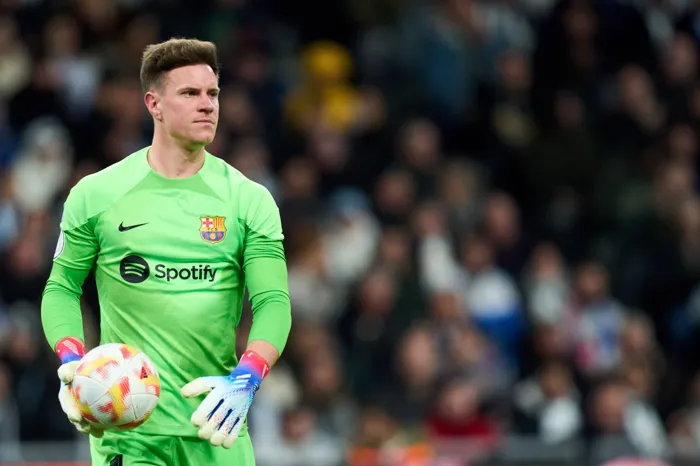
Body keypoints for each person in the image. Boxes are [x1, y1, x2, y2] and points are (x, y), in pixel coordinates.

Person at [40, 38, 292, 466]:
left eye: (212, 93)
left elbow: (273, 302)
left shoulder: (249, 200)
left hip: (217, 426)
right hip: (129, 435)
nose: (207, 105)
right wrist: (72, 362)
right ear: (153, 104)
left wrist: (247, 377)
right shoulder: (96, 194)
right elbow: (62, 287)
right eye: (190, 93)